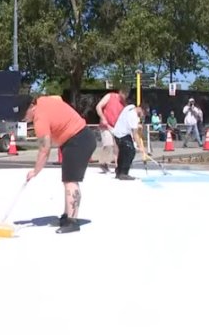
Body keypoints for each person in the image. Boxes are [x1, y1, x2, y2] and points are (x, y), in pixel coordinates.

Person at [25, 95, 97, 234]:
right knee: (67, 180)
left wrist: (35, 171)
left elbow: (44, 150)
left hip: (78, 140)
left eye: (24, 115)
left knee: (71, 180)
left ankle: (72, 221)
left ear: (31, 108)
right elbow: (58, 98)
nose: (25, 119)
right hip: (79, 137)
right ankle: (67, 215)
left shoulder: (39, 119)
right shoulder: (44, 100)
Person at [95, 85, 129, 173]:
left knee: (117, 147)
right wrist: (103, 117)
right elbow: (98, 106)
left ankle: (118, 166)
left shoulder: (124, 104)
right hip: (106, 125)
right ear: (120, 92)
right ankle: (103, 163)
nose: (124, 97)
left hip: (117, 128)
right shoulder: (110, 96)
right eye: (124, 94)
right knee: (108, 144)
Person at [111, 104, 146, 180]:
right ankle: (123, 173)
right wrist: (140, 147)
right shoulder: (133, 116)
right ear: (140, 108)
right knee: (130, 151)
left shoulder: (130, 107)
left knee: (123, 153)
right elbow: (135, 134)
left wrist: (137, 125)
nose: (143, 115)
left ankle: (119, 171)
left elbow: (127, 121)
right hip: (122, 135)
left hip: (117, 133)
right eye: (143, 112)